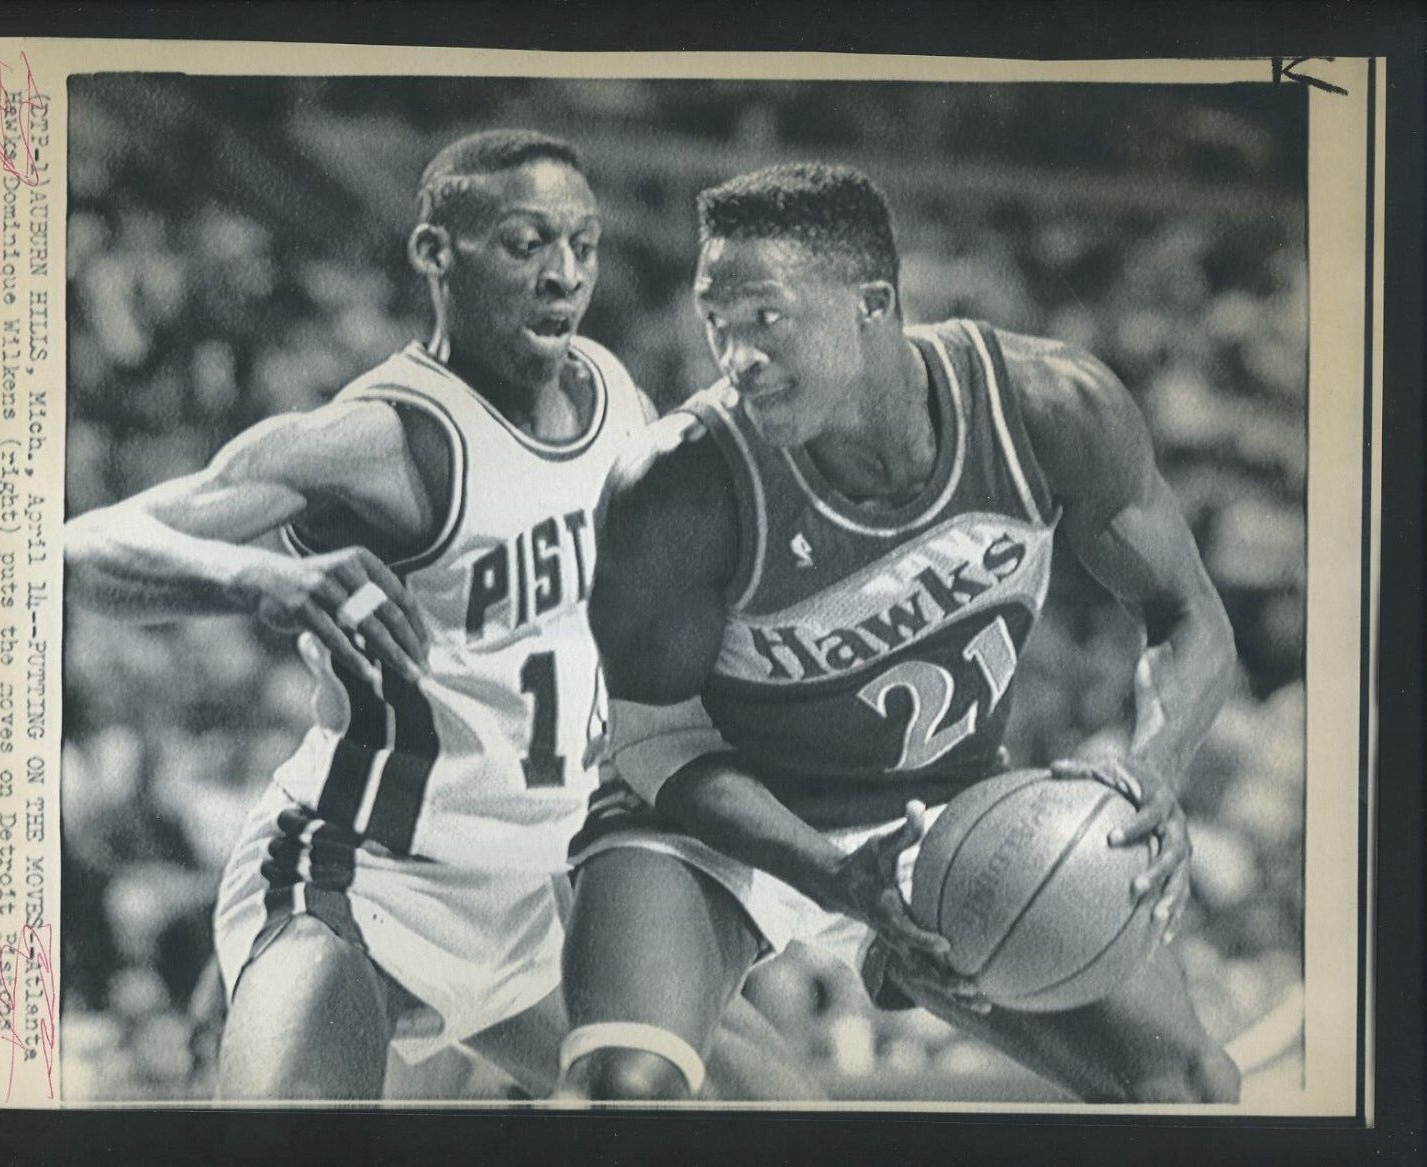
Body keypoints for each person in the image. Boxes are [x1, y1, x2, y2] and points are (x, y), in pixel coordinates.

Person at [66, 130, 816, 1101]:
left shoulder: (617, 396)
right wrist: (258, 582)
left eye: (582, 245)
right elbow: (80, 549)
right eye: (524, 243)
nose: (563, 274)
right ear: (434, 254)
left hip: (545, 880)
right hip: (369, 870)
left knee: (789, 1116)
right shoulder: (381, 439)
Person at [561, 162, 1243, 1104]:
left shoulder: (1049, 408)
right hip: (719, 812)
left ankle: (882, 972)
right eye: (717, 323)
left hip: (940, 814)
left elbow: (1189, 616)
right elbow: (654, 742)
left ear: (871, 302)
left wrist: (1155, 768)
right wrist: (834, 876)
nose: (736, 355)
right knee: (626, 1089)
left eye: (765, 317)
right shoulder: (678, 485)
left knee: (1188, 1083)